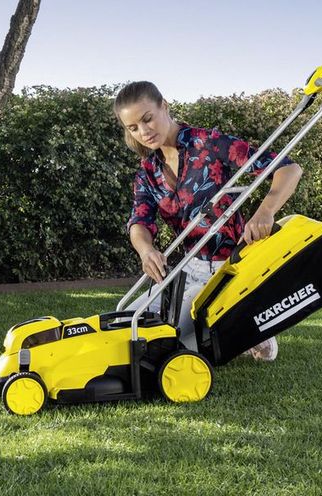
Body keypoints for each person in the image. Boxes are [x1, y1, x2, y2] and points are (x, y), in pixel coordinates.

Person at [114, 81, 303, 361]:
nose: (144, 131)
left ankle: (248, 323)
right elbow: (139, 222)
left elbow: (288, 168)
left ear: (163, 106)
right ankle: (227, 326)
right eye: (134, 128)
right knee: (125, 323)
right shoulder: (147, 172)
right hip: (187, 269)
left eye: (147, 118)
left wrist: (265, 211)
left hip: (230, 268)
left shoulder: (209, 144)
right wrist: (146, 250)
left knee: (168, 341)